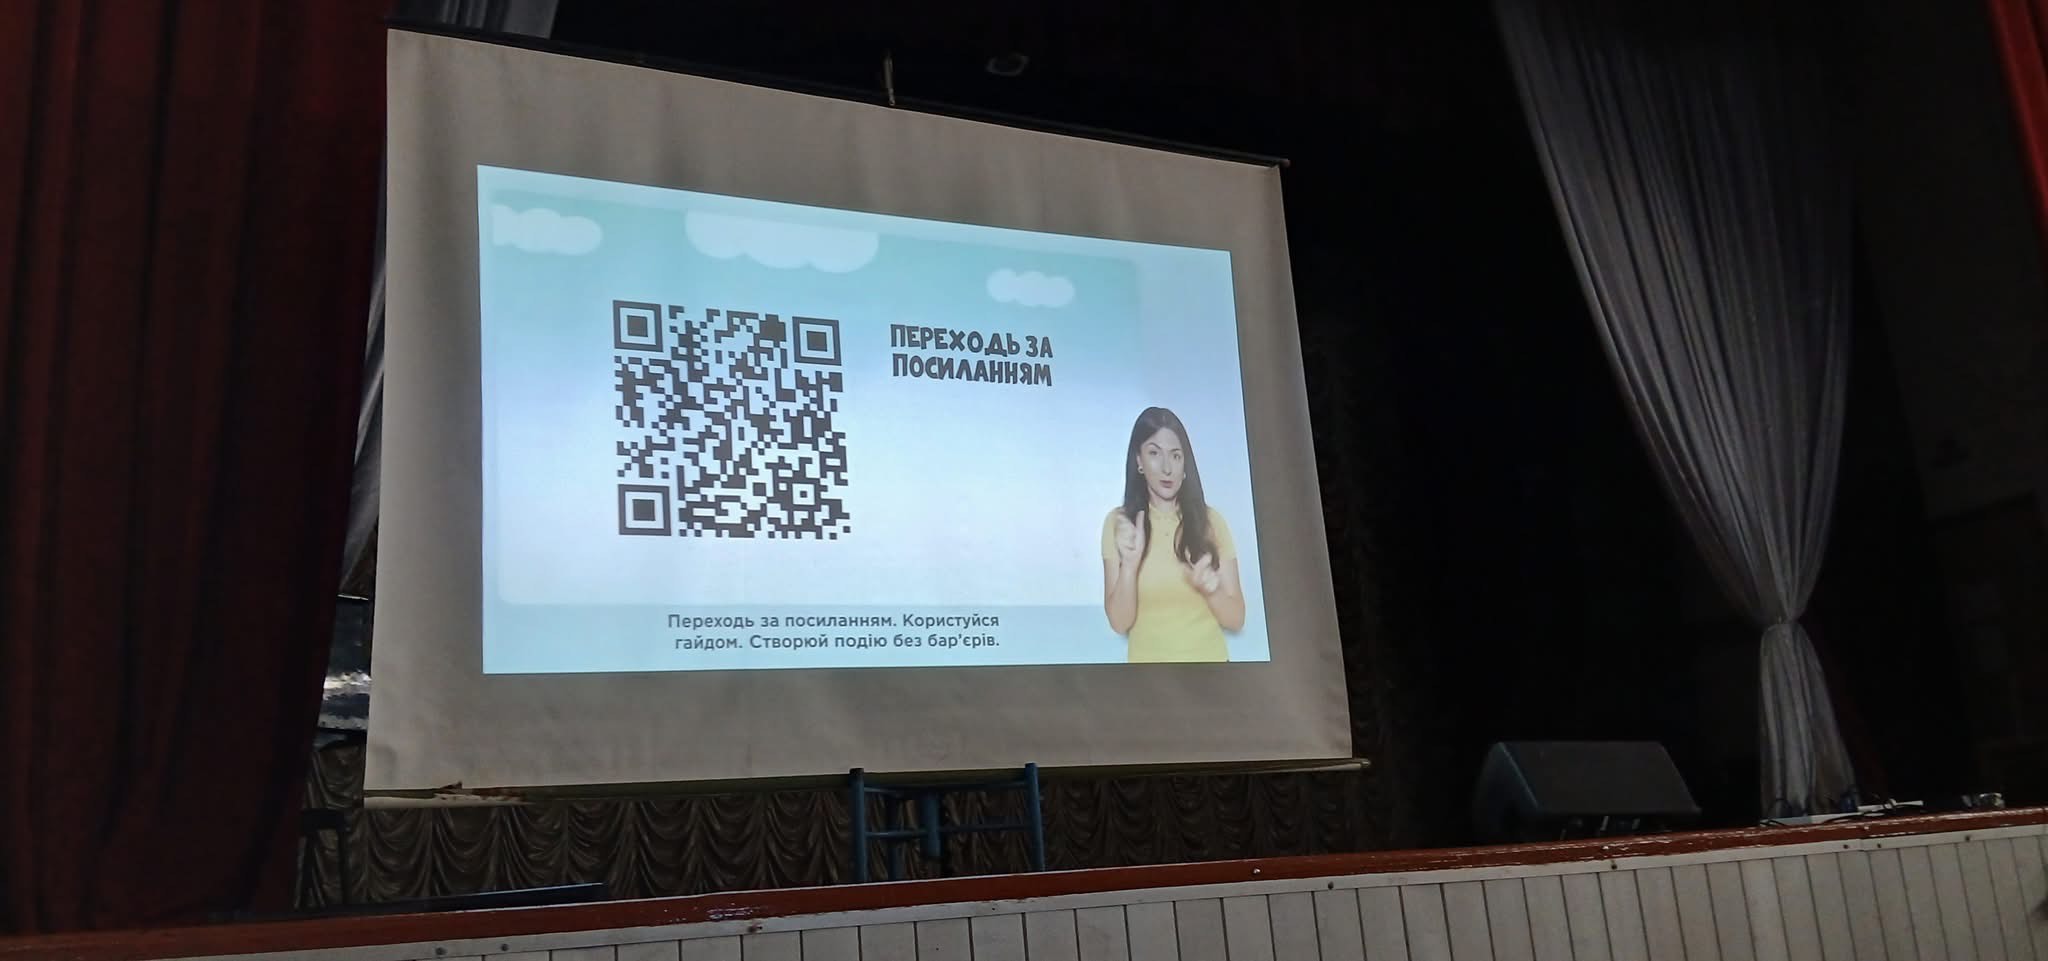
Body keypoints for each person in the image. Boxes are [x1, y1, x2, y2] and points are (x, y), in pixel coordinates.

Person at [1100, 407, 1244, 662]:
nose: (1167, 468)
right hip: (1147, 678)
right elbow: (1119, 624)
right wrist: (1129, 567)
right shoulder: (1119, 524)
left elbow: (1236, 619)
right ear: (1139, 461)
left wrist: (1212, 591)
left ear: (1185, 464)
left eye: (1176, 456)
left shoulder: (1212, 522)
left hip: (1212, 672)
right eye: (1154, 453)